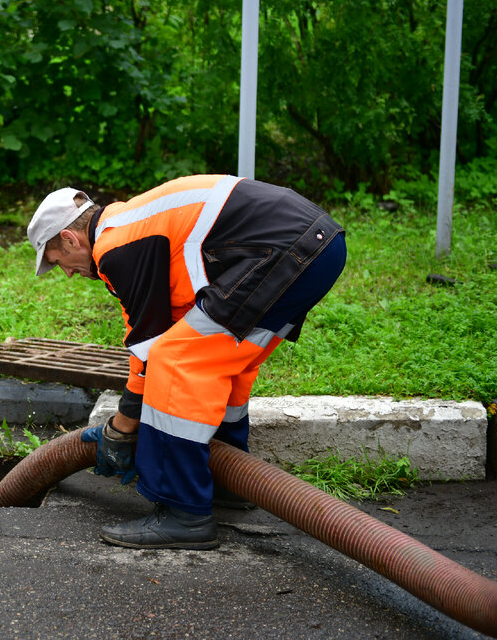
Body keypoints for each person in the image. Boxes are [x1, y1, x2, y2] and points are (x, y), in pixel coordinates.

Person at [27, 175, 346, 550]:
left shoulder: (119, 246)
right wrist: (127, 421)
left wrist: (122, 428)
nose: (66, 272)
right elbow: (152, 331)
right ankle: (222, 478)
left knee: (176, 361)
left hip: (286, 250)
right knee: (222, 360)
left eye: (58, 261)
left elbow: (153, 349)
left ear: (69, 238)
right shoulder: (131, 226)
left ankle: (184, 512)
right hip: (317, 247)